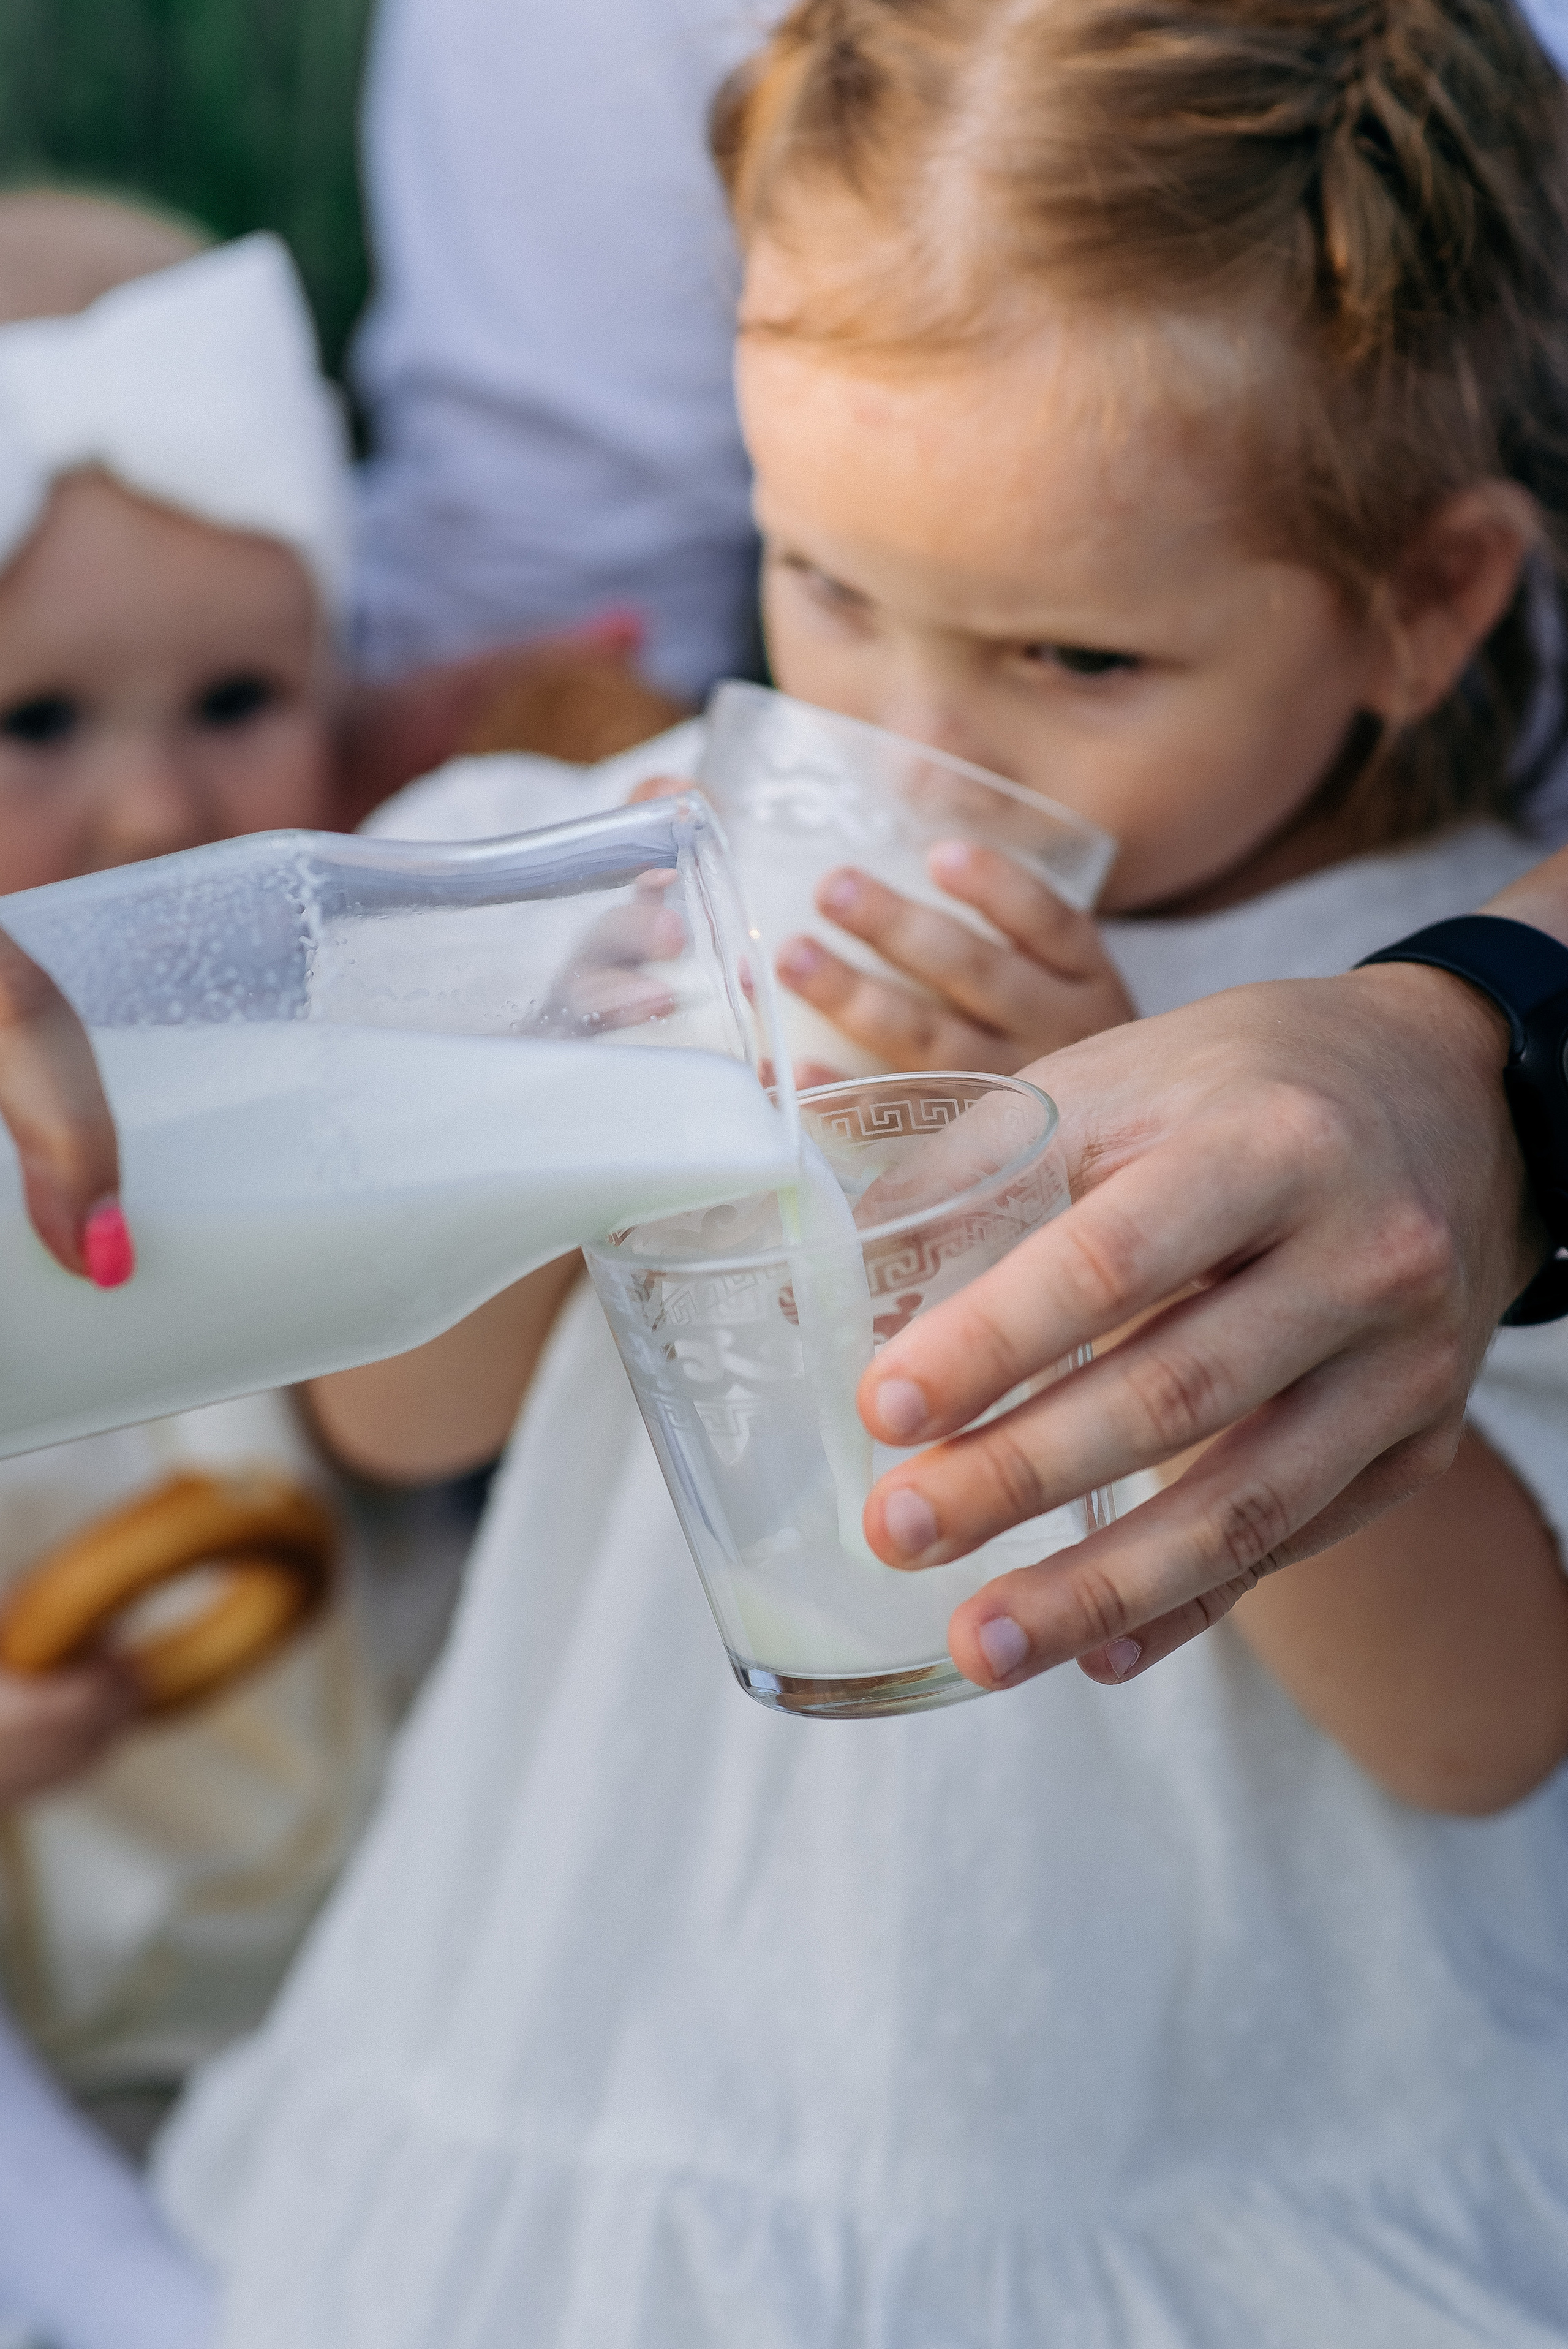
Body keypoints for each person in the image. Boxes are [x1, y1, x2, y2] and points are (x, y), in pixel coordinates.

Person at [149, 7, 1568, 2342]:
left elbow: (1485, 1730)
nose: (902, 741)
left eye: (1073, 654)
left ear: (1430, 598)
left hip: (1193, 2136)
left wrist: (1123, 1180)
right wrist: (551, 1079)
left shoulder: (1437, 1052)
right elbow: (385, 1424)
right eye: (818, 581)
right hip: (595, 2073)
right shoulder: (573, 877)